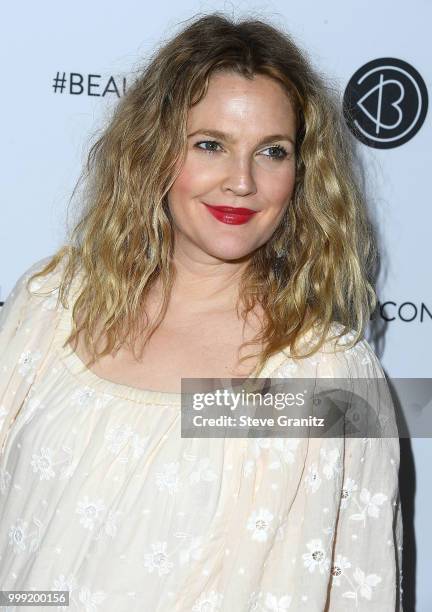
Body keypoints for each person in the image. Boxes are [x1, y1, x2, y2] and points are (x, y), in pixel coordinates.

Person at [0, 12, 402, 612]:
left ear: (302, 173)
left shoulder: (323, 377)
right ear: (154, 153)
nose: (242, 181)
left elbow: (354, 591)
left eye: (272, 151)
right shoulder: (52, 306)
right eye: (210, 145)